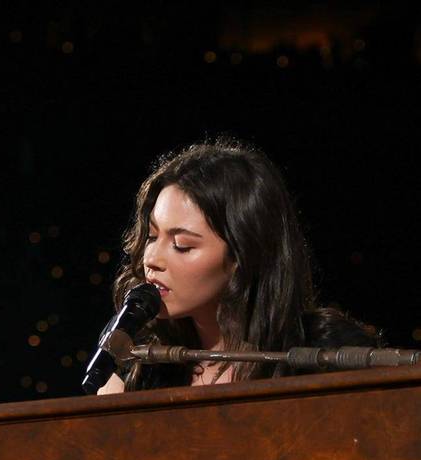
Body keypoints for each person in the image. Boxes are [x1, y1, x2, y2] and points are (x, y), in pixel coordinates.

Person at [99, 140, 378, 394]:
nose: (152, 259)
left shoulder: (326, 354)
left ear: (242, 255)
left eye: (182, 245)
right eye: (151, 236)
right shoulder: (145, 368)